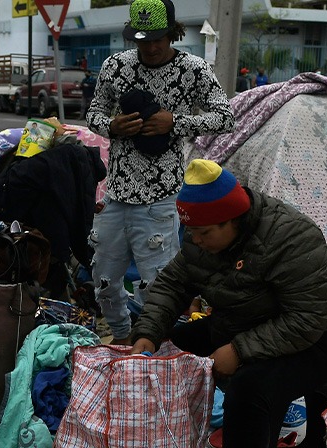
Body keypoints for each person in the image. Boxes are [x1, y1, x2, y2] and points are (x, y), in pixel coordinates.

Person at [130, 158, 327, 448]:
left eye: (203, 232)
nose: (194, 241)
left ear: (233, 220)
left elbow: (308, 318)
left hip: (315, 340)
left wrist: (240, 351)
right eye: (190, 232)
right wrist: (148, 332)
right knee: (165, 350)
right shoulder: (203, 237)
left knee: (249, 390)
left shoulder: (292, 236)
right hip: (239, 326)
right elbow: (174, 284)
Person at [85, 0, 235, 345]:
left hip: (161, 198)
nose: (151, 47)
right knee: (103, 280)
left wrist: (176, 122)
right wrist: (112, 125)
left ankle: (150, 344)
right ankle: (123, 337)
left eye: (158, 39)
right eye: (142, 40)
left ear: (172, 32)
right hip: (116, 195)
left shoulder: (193, 69)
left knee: (159, 287)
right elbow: (94, 113)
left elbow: (225, 117)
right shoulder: (116, 66)